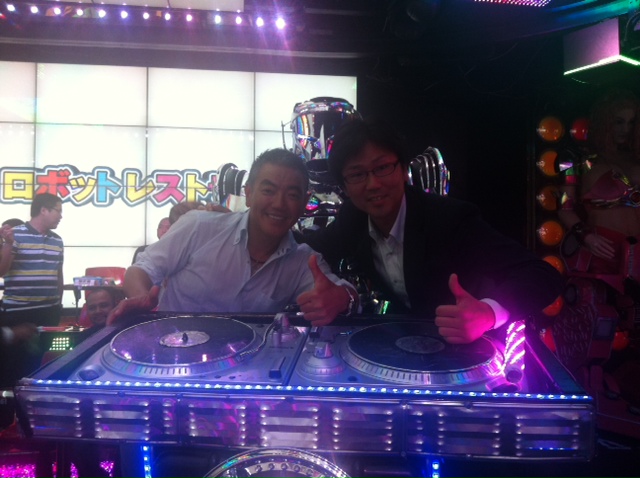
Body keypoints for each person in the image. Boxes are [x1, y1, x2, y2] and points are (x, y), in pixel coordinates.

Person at [301, 117, 564, 344]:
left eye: (382, 168)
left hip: (475, 348)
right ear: (344, 187)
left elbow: (543, 275)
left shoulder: (449, 220)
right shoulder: (354, 217)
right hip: (410, 347)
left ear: (404, 169)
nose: (373, 184)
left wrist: (488, 312)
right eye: (357, 174)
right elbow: (310, 246)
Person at [109, 148, 356, 324]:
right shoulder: (199, 226)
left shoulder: (302, 262)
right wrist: (142, 298)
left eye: (292, 195)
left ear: (304, 202)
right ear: (248, 194)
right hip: (174, 361)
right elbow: (142, 268)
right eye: (268, 191)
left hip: (246, 373)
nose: (279, 204)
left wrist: (343, 298)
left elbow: (339, 291)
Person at [0, 193, 64, 387]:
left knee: (42, 363)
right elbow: (2, 271)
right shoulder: (14, 235)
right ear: (43, 210)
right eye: (58, 211)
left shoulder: (57, 241)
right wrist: (8, 244)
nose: (61, 216)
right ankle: (11, 402)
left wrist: (58, 303)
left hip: (49, 311)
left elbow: (58, 274)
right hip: (18, 312)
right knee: (13, 366)